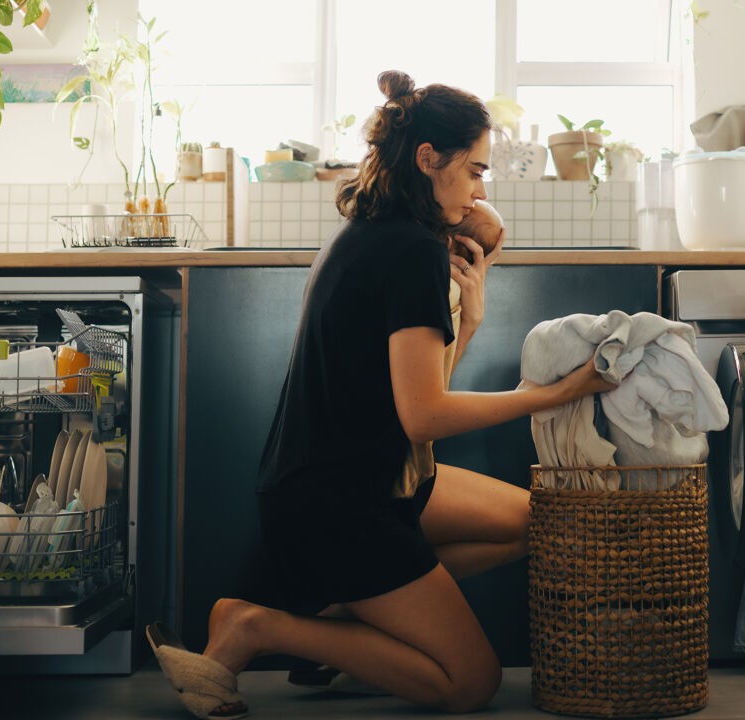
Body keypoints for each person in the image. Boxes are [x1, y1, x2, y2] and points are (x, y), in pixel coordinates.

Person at [146, 70, 613, 720]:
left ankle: (338, 628)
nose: (481, 190)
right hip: (340, 506)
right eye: (476, 171)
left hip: (365, 480)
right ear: (429, 159)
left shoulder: (377, 235)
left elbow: (416, 415)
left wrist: (468, 321)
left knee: (541, 519)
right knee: (471, 683)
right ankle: (261, 627)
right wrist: (556, 393)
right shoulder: (410, 251)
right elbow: (425, 414)